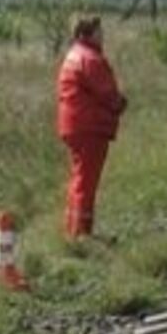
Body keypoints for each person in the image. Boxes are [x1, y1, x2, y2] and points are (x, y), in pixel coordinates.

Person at [57, 14, 127, 238]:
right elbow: (108, 94)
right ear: (89, 33)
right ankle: (81, 234)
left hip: (73, 124)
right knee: (86, 181)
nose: (102, 35)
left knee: (79, 179)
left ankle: (72, 228)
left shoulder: (72, 55)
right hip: (89, 126)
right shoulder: (91, 59)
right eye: (99, 31)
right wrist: (120, 104)